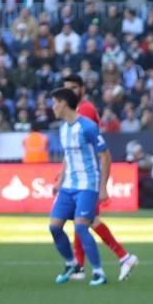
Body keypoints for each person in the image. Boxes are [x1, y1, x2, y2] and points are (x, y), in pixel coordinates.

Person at [61, 74, 139, 281]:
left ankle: (123, 257)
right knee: (83, 220)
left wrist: (101, 184)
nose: (69, 92)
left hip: (88, 178)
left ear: (83, 89)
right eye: (66, 88)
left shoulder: (84, 110)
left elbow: (96, 148)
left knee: (86, 220)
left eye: (73, 88)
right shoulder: (76, 111)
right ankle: (81, 265)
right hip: (81, 178)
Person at [47, 87, 110, 286]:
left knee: (81, 226)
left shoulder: (88, 127)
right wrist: (60, 180)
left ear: (64, 103)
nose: (52, 107)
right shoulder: (64, 128)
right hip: (69, 186)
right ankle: (71, 263)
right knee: (54, 227)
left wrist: (103, 187)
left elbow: (105, 156)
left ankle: (99, 272)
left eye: (54, 102)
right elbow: (68, 156)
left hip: (87, 185)